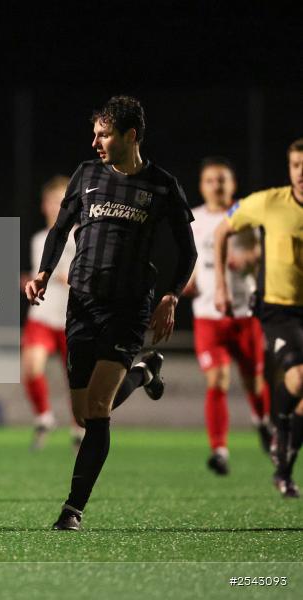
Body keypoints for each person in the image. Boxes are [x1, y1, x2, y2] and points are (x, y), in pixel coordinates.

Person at [25, 96, 197, 530]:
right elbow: (61, 228)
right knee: (83, 414)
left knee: (98, 408)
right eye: (96, 133)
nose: (96, 141)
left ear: (130, 136)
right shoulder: (86, 175)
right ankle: (143, 373)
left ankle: (73, 509)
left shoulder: (161, 186)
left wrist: (172, 296)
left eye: (104, 134)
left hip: (129, 306)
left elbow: (188, 251)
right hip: (81, 303)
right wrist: (44, 272)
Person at [214, 138, 303, 498]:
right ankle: (277, 428)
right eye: (296, 165)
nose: (301, 172)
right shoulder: (269, 202)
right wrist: (220, 285)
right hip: (277, 308)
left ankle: (283, 469)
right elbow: (223, 229)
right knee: (298, 375)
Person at [186, 157, 271, 476]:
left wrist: (249, 258)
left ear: (232, 185)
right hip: (208, 315)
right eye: (210, 180)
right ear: (201, 186)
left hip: (245, 313)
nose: (217, 185)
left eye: (222, 180)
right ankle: (219, 449)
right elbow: (193, 261)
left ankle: (262, 422)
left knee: (254, 382)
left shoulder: (246, 214)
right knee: (217, 381)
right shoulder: (194, 218)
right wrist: (190, 283)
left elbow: (264, 255)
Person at [21, 175, 82, 451]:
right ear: (44, 205)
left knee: (77, 381)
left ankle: (79, 427)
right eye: (52, 201)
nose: (57, 206)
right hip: (42, 317)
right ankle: (44, 417)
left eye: (62, 201)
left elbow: (94, 277)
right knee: (30, 367)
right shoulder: (38, 239)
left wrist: (71, 278)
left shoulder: (80, 235)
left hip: (72, 318)